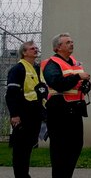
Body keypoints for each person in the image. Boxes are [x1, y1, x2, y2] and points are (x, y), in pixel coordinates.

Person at [40, 33, 91, 178]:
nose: (72, 44)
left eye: (72, 41)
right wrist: (77, 77)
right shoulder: (52, 64)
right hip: (59, 111)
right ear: (58, 47)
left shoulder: (75, 62)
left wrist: (86, 84)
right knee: (60, 149)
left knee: (76, 145)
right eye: (68, 42)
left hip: (75, 110)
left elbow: (79, 83)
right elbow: (57, 84)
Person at [5, 41, 47, 178]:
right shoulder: (18, 69)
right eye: (32, 48)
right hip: (23, 115)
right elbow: (11, 93)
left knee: (28, 147)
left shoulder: (36, 68)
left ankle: (24, 174)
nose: (36, 50)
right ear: (24, 52)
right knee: (21, 149)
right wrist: (15, 114)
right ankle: (21, 175)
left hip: (35, 115)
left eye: (36, 48)